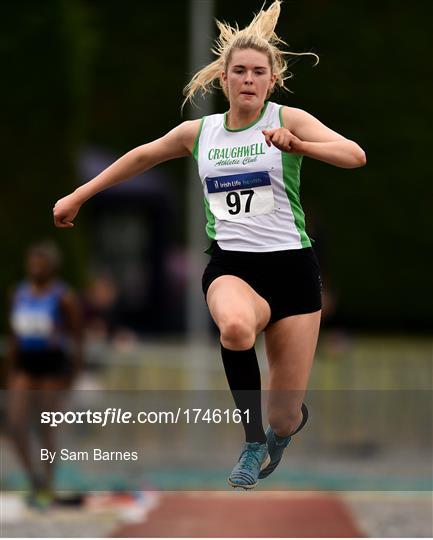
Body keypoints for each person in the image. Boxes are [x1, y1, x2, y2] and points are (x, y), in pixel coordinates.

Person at [53, 0, 366, 489]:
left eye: (257, 72)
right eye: (238, 71)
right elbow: (140, 157)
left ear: (272, 79)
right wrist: (80, 194)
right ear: (223, 79)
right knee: (236, 328)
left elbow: (354, 155)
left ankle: (279, 427)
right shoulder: (201, 132)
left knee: (284, 416)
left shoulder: (290, 119)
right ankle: (251, 440)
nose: (247, 79)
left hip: (294, 273)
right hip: (233, 268)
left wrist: (299, 145)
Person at [5, 241, 83, 508]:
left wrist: (73, 373)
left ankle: (48, 485)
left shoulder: (63, 297)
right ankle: (33, 478)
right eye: (32, 263)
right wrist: (10, 370)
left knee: (46, 427)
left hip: (52, 366)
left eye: (41, 264)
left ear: (51, 268)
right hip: (26, 364)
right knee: (15, 424)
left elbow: (77, 336)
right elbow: (14, 335)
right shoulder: (18, 293)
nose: (35, 268)